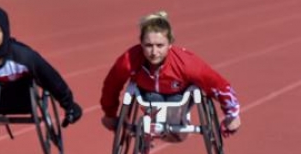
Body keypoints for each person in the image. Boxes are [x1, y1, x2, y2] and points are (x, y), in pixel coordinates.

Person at [100, 11, 241, 138]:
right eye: (148, 45)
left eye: (160, 45)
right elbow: (111, 85)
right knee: (153, 97)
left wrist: (232, 114)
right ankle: (149, 135)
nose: (154, 52)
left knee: (174, 104)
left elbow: (218, 85)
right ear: (141, 44)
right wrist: (110, 114)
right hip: (148, 96)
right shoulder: (128, 61)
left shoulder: (187, 63)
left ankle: (167, 127)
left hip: (179, 97)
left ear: (170, 44)